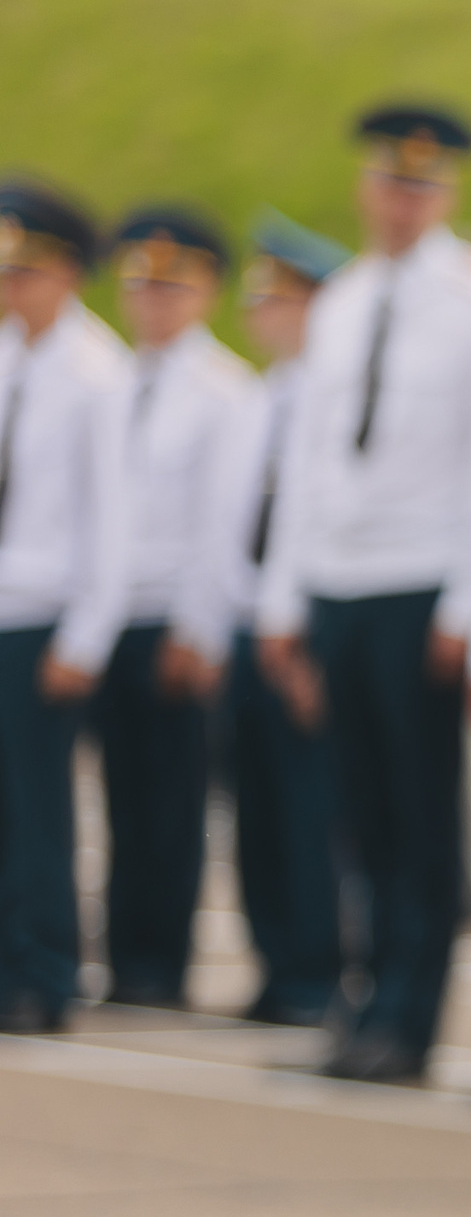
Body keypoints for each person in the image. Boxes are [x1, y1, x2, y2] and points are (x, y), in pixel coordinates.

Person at [255, 103, 471, 1083]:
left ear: (447, 193)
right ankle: (363, 999)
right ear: (365, 187)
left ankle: (410, 1018)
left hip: (423, 586)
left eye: (420, 185)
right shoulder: (341, 301)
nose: (400, 201)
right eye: (388, 181)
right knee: (356, 809)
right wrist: (285, 601)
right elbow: (309, 460)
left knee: (421, 817)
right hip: (339, 579)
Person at [96, 208, 264, 1008]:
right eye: (141, 284)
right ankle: (126, 955)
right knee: (120, 795)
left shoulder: (223, 389)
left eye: (171, 287)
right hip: (110, 611)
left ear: (205, 292)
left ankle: (160, 963)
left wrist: (200, 626)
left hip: (173, 616)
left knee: (169, 797)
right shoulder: (115, 378)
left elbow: (219, 524)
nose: (152, 301)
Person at [0, 182, 134, 1034]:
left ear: (68, 273)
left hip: (46, 617)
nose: (12, 287)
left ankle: (46, 972)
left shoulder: (97, 371)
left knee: (38, 809)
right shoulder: (6, 355)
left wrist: (86, 634)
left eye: (27, 272)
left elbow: (112, 517)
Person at [228, 211, 354, 1026]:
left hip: (308, 628)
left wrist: (298, 634)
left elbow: (319, 520)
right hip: (248, 624)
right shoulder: (261, 395)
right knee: (257, 809)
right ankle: (277, 961)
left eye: (279, 300)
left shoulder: (330, 393)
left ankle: (317, 966)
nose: (261, 315)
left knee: (315, 812)